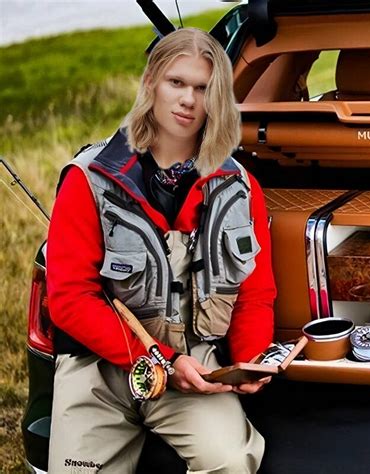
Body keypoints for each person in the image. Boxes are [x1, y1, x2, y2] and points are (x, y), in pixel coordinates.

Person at [46, 27, 276, 473]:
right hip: (100, 372)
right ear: (151, 83)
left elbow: (255, 293)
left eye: (203, 88)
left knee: (231, 461)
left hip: (197, 368)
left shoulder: (240, 187)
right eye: (177, 82)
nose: (188, 100)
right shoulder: (88, 180)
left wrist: (248, 361)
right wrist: (162, 362)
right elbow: (70, 301)